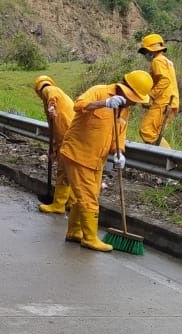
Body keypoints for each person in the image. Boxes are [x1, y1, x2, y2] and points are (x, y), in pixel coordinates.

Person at [58, 70, 153, 251]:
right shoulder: (99, 91)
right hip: (78, 154)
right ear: (124, 90)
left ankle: (74, 232)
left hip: (96, 160)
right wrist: (104, 103)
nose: (134, 102)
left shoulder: (125, 110)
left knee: (85, 197)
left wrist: (119, 152)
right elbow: (78, 105)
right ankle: (90, 238)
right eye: (134, 98)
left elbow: (119, 134)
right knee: (89, 199)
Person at [34, 75, 75, 215]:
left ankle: (58, 205)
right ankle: (71, 202)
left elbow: (52, 94)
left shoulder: (49, 90)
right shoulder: (54, 97)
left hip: (68, 135)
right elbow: (53, 127)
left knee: (63, 171)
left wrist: (51, 105)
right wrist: (53, 149)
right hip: (68, 136)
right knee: (71, 171)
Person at [137, 33, 180, 147]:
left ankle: (167, 158)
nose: (145, 54)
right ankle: (164, 161)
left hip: (164, 102)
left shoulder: (158, 61)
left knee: (147, 131)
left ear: (151, 50)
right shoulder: (165, 61)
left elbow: (165, 80)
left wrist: (151, 96)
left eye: (145, 51)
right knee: (154, 133)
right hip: (169, 101)